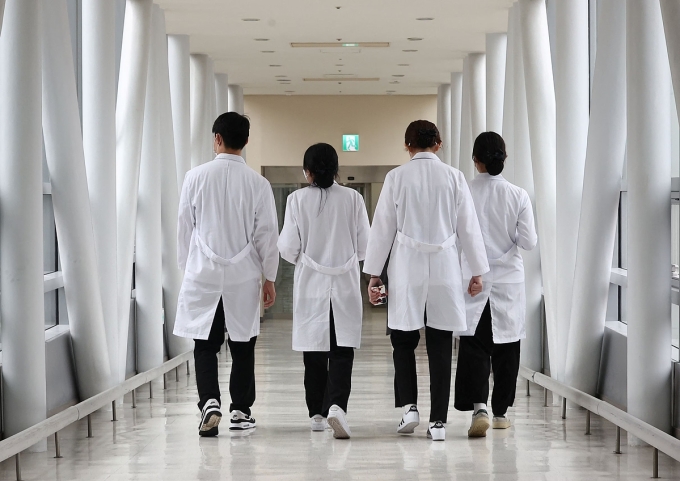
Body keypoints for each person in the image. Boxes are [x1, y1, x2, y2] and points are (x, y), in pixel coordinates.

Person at [363, 120, 489, 441]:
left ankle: (410, 408)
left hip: (407, 264)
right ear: (439, 143)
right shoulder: (455, 177)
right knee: (440, 343)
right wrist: (477, 270)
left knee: (403, 340)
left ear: (407, 145)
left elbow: (382, 229)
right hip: (444, 264)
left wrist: (375, 273)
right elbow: (469, 228)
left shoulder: (396, 178)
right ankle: (438, 423)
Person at [173, 112, 279, 437]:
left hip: (202, 273)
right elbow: (267, 235)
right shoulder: (259, 184)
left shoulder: (195, 177)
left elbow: (183, 228)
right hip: (243, 276)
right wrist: (270, 277)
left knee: (205, 344)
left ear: (217, 138)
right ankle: (241, 411)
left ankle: (209, 402)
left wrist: (186, 268)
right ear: (245, 141)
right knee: (243, 344)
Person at [278, 143, 370, 439]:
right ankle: (337, 407)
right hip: (344, 283)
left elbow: (288, 249)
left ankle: (317, 413)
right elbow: (365, 247)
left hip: (311, 285)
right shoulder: (354, 199)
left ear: (307, 172)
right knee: (342, 350)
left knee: (314, 351)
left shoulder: (296, 200)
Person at [454, 131, 537, 437]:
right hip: (509, 280)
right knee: (507, 346)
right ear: (505, 157)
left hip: (473, 278)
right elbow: (529, 241)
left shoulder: (463, 192)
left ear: (475, 161)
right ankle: (501, 413)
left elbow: (455, 239)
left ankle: (480, 408)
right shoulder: (518, 195)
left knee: (475, 343)